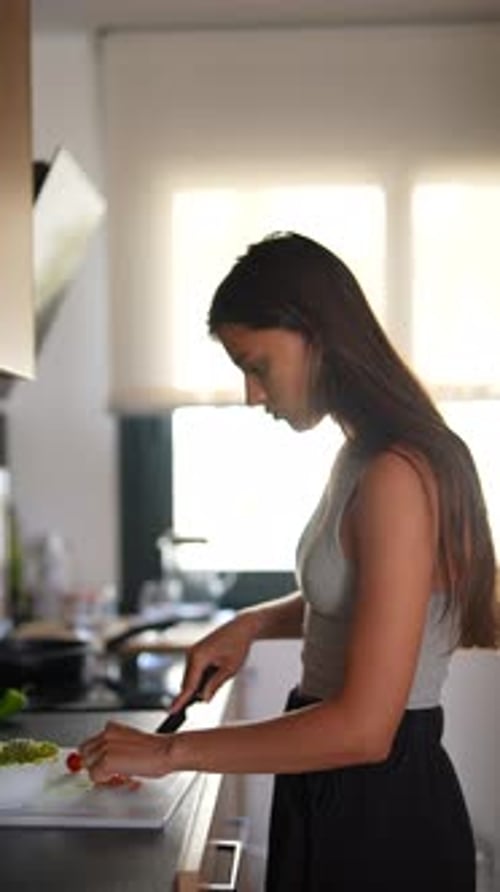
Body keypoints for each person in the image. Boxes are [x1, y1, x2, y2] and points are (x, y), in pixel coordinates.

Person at [80, 232, 498, 891]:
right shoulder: (363, 455)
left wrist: (168, 751)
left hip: (379, 814)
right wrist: (252, 622)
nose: (251, 394)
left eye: (257, 365)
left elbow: (363, 730)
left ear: (316, 336)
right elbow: (372, 594)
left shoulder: (398, 474)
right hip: (335, 788)